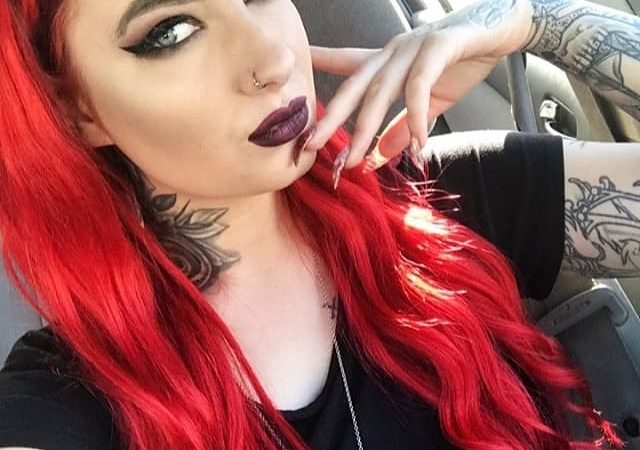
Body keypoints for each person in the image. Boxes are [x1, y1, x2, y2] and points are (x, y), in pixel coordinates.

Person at [0, 0, 638, 449]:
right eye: (171, 30)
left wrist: (537, 21)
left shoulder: (438, 198)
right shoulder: (67, 394)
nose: (272, 58)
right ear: (76, 108)